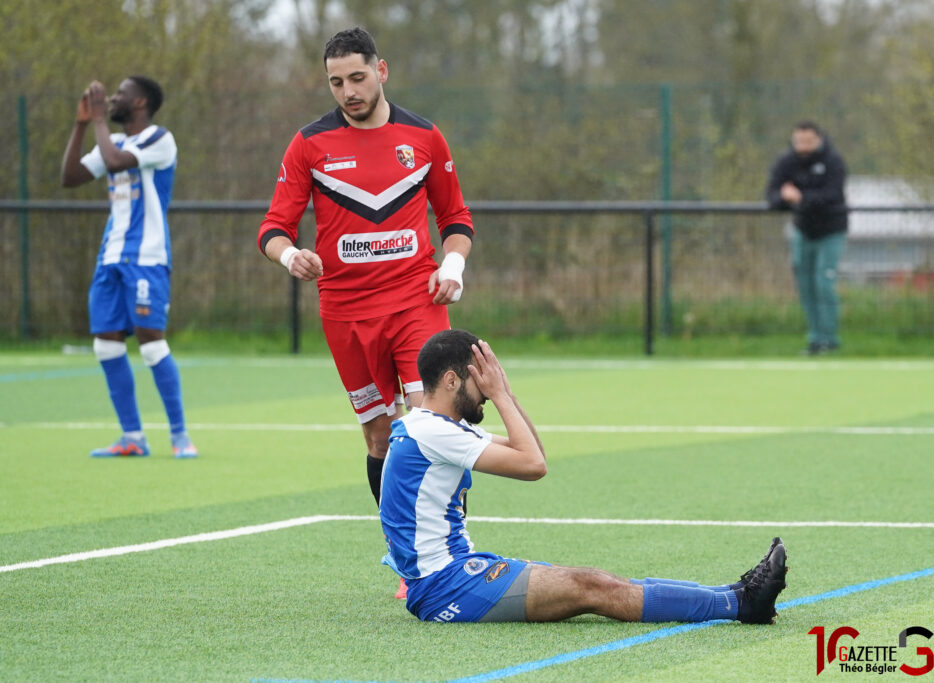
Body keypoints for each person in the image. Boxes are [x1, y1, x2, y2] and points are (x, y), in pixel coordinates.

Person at [257, 27, 473, 598]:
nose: (348, 91)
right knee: (380, 436)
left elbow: (456, 221)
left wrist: (451, 269)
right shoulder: (308, 144)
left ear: (382, 70)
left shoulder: (424, 137)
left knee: (432, 427)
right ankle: (408, 560)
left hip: (415, 304)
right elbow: (274, 228)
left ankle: (450, 551)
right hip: (346, 312)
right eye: (335, 82)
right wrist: (292, 256)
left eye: (357, 77)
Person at [379, 329, 789, 624]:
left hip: (457, 571)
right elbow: (533, 467)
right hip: (442, 587)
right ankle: (742, 604)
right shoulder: (432, 431)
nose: (485, 390)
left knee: (600, 581)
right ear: (452, 381)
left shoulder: (435, 427)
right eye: (478, 380)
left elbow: (535, 451)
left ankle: (736, 595)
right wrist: (501, 396)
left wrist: (506, 391)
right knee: (591, 586)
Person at [61, 76, 197, 459]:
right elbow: (69, 178)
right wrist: (82, 124)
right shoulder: (113, 140)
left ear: (140, 103)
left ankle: (180, 435)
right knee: (106, 344)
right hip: (111, 258)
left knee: (151, 342)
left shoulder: (159, 139)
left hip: (147, 258)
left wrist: (101, 120)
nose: (113, 99)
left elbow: (118, 162)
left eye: (120, 94)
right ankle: (132, 436)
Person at [766, 121, 848, 355]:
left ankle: (829, 339)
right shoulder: (786, 162)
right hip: (802, 231)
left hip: (831, 231)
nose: (802, 146)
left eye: (808, 141)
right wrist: (784, 197)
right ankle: (815, 338)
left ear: (818, 140)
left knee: (824, 283)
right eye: (798, 141)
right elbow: (772, 195)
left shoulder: (833, 161)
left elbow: (832, 195)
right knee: (806, 286)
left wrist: (801, 197)